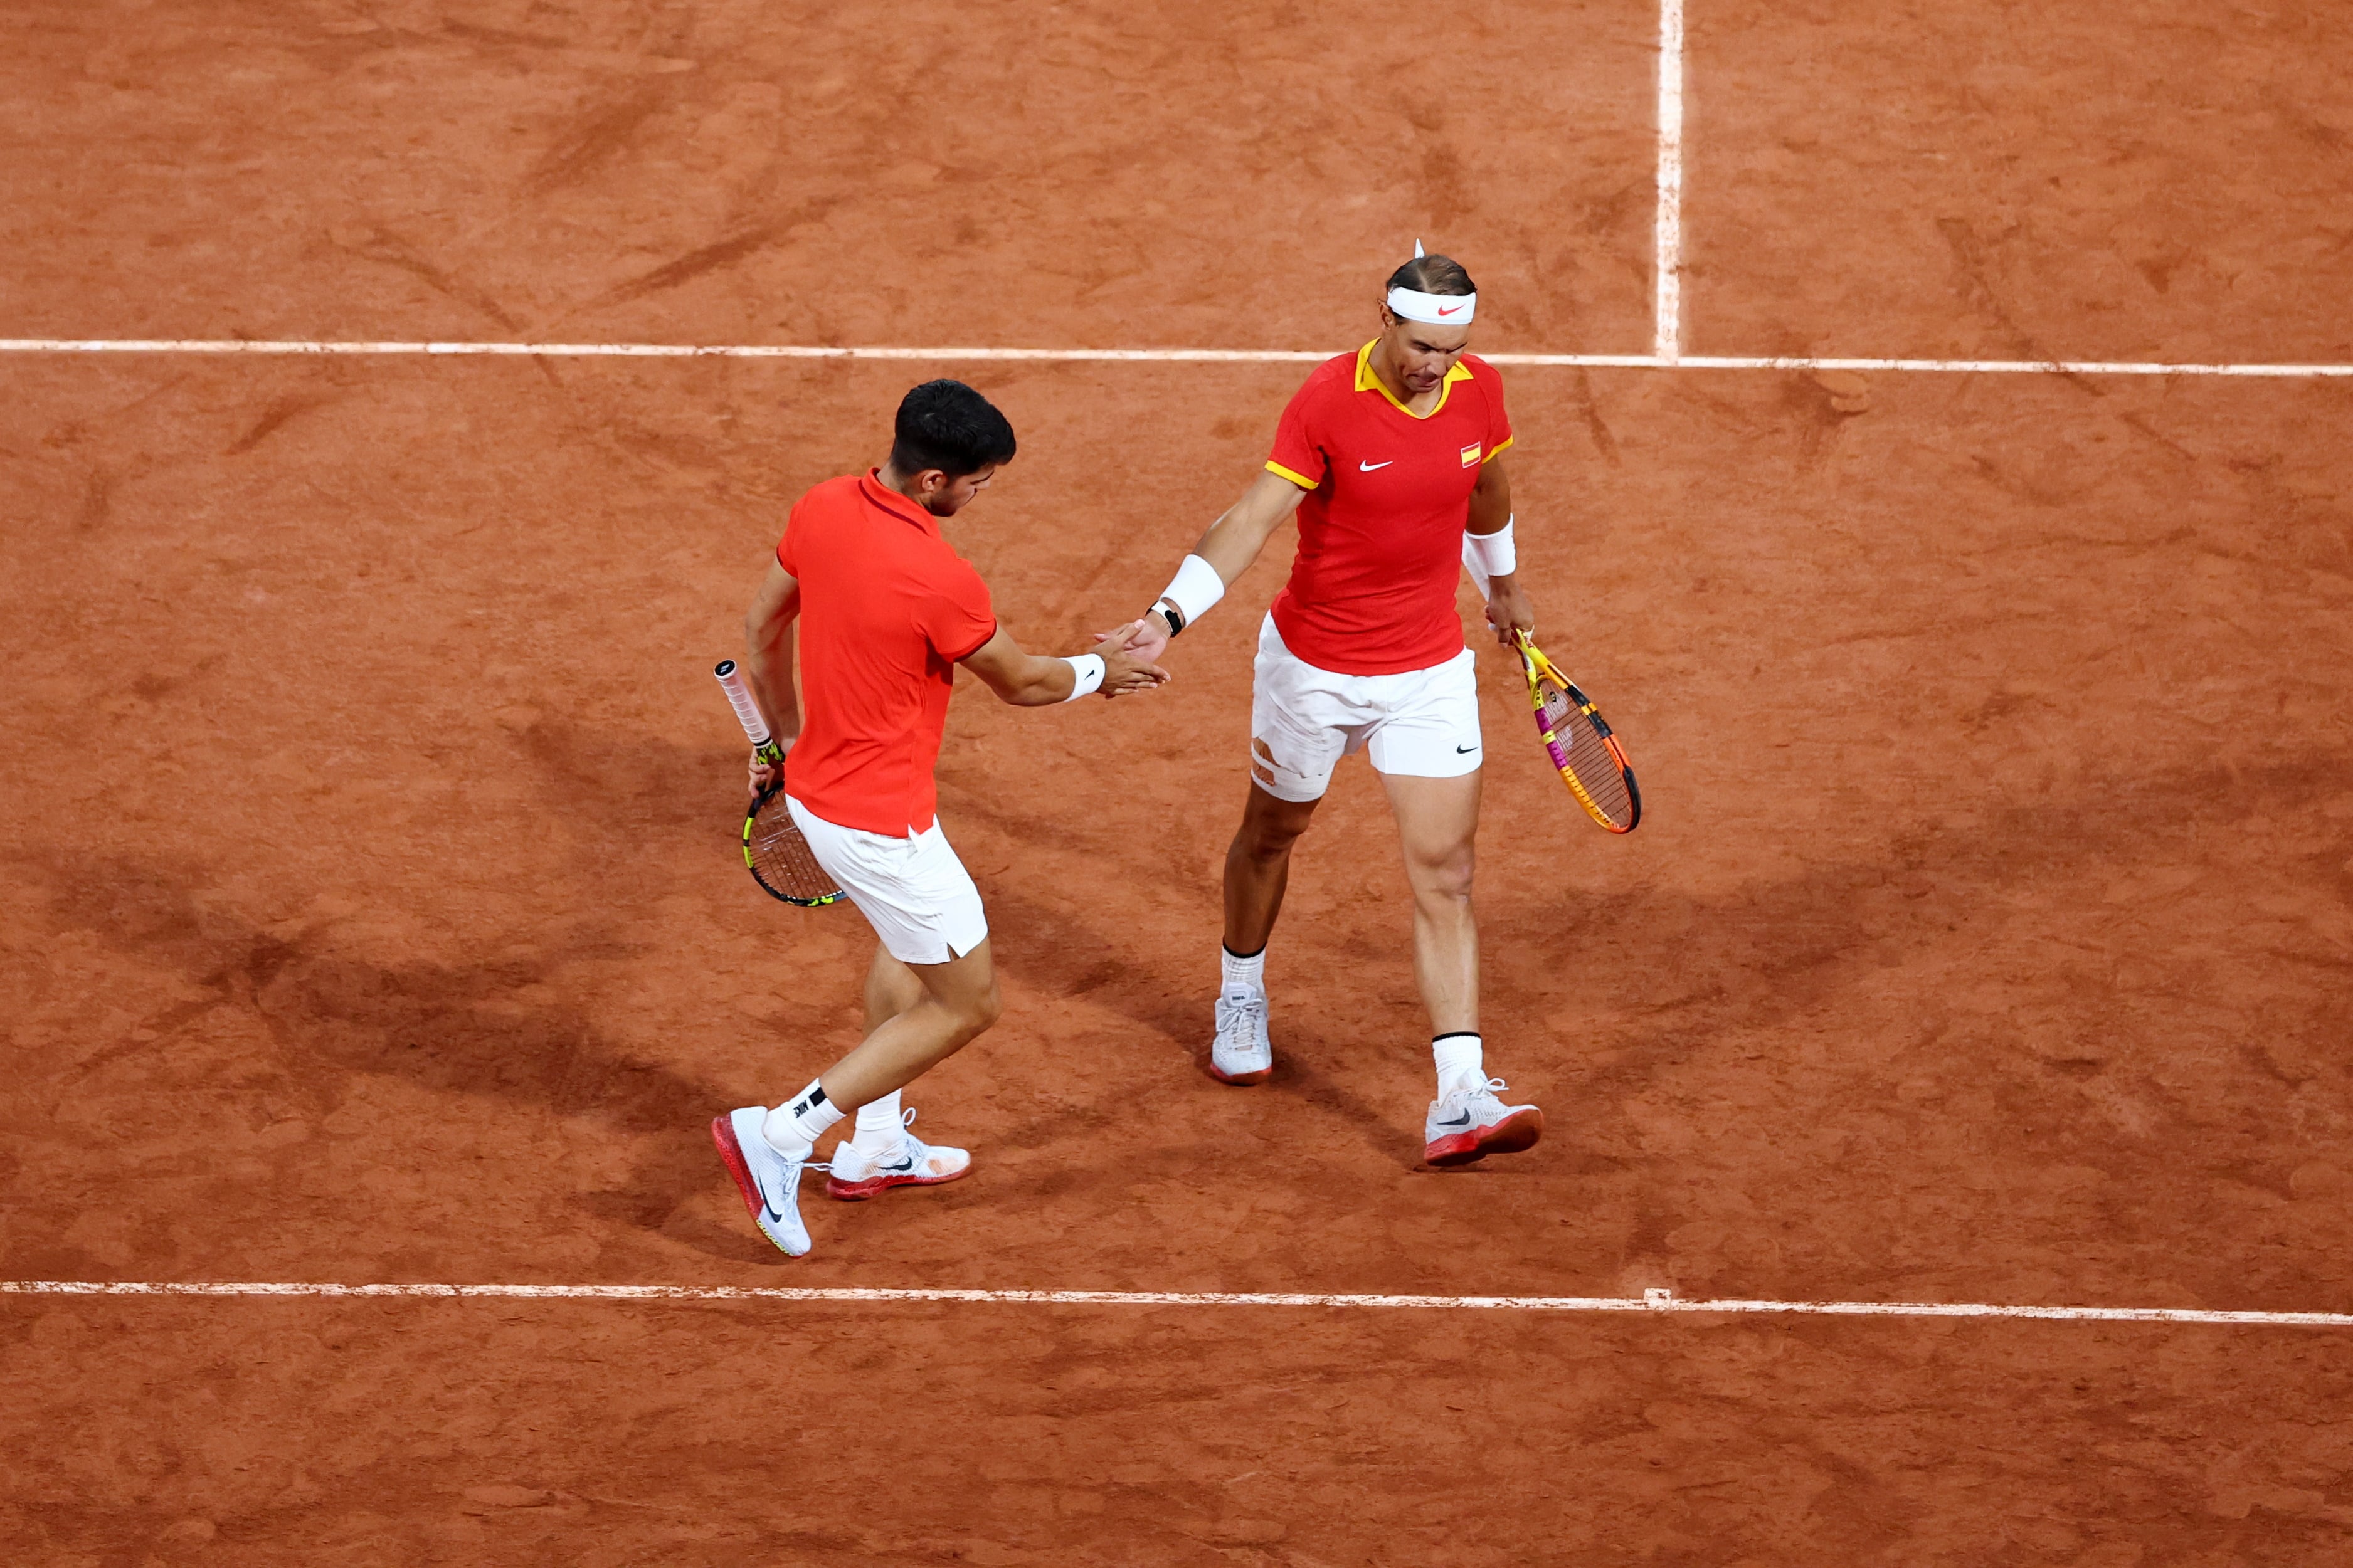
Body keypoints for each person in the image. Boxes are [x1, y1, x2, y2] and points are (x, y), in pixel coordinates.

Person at [1108, 248, 1544, 1167]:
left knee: (1447, 875)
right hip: (1312, 672)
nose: (1438, 366)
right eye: (1424, 346)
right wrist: (1167, 614)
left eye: (1454, 349)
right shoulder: (1326, 403)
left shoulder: (1478, 389)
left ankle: (1459, 1091)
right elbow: (1251, 517)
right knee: (1272, 833)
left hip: (1427, 673)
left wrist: (1503, 586)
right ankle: (1241, 985)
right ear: (1384, 322)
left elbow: (1488, 485)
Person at [714, 379, 1166, 1256]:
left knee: (902, 949)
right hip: (880, 823)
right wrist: (1098, 669)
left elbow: (763, 621)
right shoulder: (939, 576)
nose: (979, 495)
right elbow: (1024, 681)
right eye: (979, 483)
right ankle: (780, 1136)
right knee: (968, 1002)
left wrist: (778, 738)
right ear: (932, 482)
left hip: (816, 788)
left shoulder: (820, 506)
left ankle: (876, 1146)